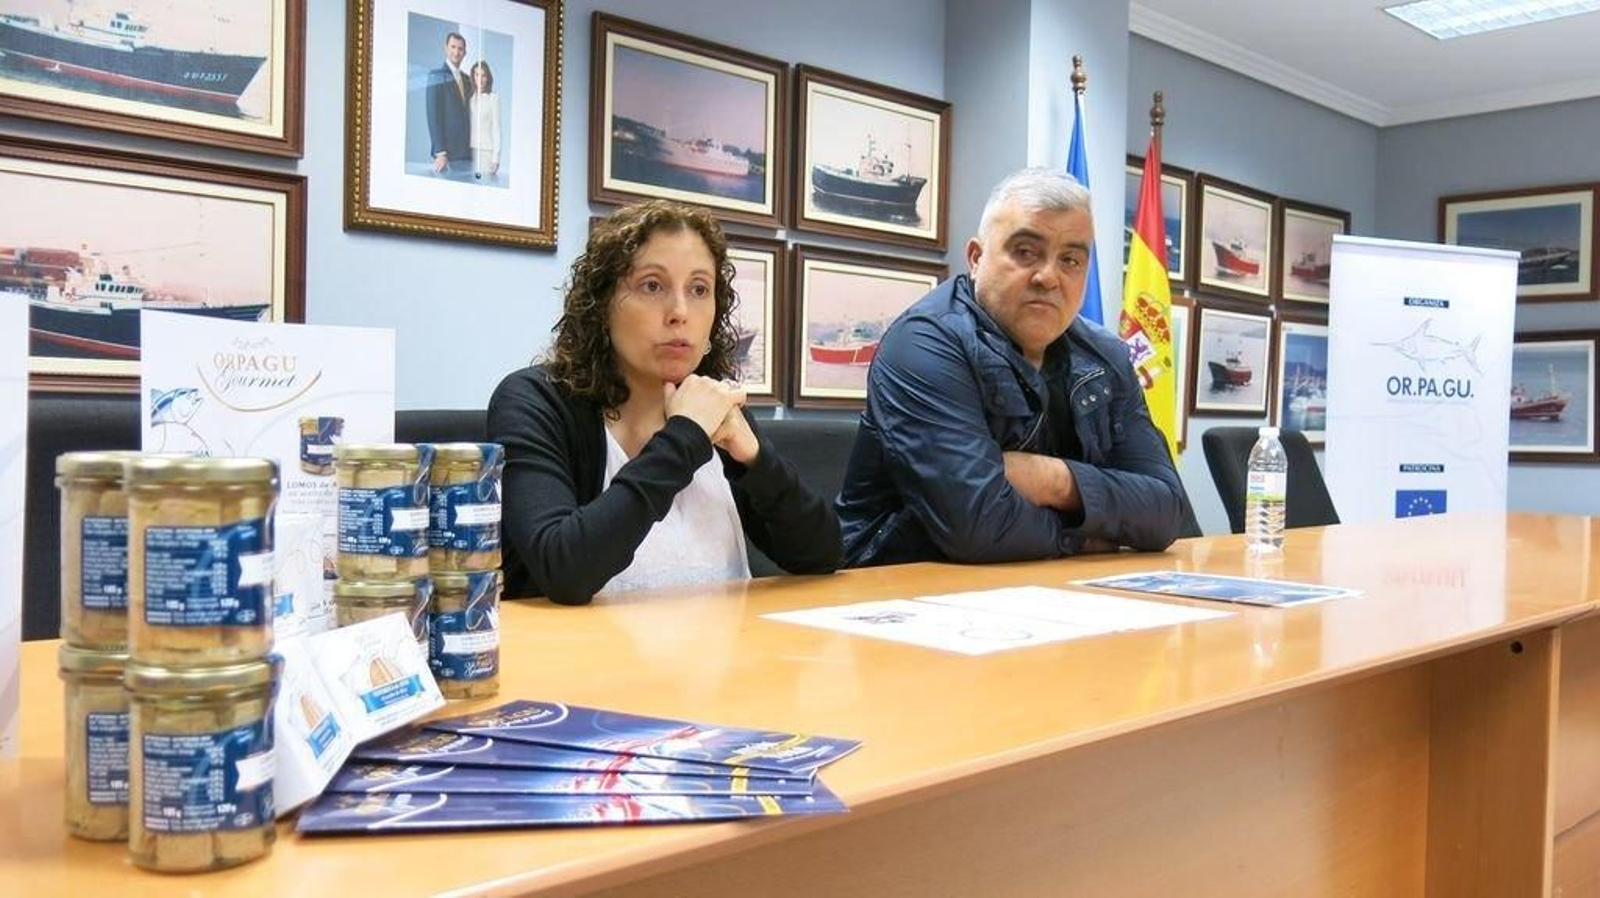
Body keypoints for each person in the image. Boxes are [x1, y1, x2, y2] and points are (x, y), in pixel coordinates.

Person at [488, 200, 842, 605]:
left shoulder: (717, 407)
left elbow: (822, 554)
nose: (680, 312)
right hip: (587, 664)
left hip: (731, 662)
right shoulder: (535, 402)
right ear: (601, 305)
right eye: (652, 285)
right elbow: (565, 570)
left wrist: (756, 462)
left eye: (699, 289)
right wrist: (684, 437)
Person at [835, 167, 1182, 567]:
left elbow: (1166, 510)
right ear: (976, 258)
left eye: (1070, 260)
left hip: (1036, 592)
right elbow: (977, 526)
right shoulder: (924, 344)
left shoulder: (1107, 356)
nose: (1048, 276)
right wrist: (1085, 536)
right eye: (1025, 252)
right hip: (892, 591)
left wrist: (1054, 480)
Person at [425, 31, 473, 175]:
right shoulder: (436, 76)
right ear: (446, 48)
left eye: (460, 48)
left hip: (466, 152)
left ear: (465, 52)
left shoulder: (467, 79)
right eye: (453, 47)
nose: (456, 52)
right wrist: (440, 152)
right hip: (447, 153)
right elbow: (433, 115)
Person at [468, 60, 500, 182]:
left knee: (484, 185)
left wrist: (495, 158)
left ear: (488, 77)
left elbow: (496, 129)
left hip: (486, 152)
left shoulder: (493, 98)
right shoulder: (470, 98)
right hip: (469, 151)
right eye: (477, 74)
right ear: (473, 76)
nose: (480, 79)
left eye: (483, 75)